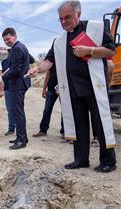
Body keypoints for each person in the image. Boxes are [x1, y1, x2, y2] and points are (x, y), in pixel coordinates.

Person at [28, 1, 117, 173]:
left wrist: (89, 50)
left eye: (67, 17)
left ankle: (108, 161)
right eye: (60, 19)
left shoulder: (95, 29)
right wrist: (37, 69)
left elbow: (110, 51)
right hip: (72, 89)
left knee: (100, 124)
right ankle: (81, 159)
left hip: (94, 87)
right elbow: (49, 61)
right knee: (79, 125)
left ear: (79, 13)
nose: (63, 22)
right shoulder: (59, 40)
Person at [0, 28, 32, 149]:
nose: (6, 41)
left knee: (18, 112)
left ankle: (22, 140)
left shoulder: (17, 48)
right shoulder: (20, 47)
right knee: (17, 111)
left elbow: (15, 69)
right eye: (4, 40)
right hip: (20, 83)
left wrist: (1, 78)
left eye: (8, 39)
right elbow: (31, 59)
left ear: (14, 36)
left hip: (18, 84)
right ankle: (21, 137)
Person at [33, 64, 62, 137]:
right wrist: (44, 89)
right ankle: (43, 130)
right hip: (51, 89)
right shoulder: (52, 61)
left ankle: (64, 131)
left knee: (65, 111)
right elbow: (48, 75)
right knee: (47, 110)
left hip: (63, 89)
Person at [1, 49, 16, 136]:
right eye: (10, 51)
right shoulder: (4, 62)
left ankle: (20, 129)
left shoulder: (19, 60)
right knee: (10, 109)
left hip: (17, 88)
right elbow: (2, 76)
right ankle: (11, 129)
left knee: (18, 109)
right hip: (7, 88)